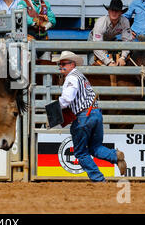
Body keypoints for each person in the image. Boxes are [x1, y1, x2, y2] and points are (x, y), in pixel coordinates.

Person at [54, 50, 127, 182]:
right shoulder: (81, 77)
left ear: (72, 64)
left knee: (81, 153)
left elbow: (66, 99)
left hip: (84, 116)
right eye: (60, 64)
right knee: (95, 147)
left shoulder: (71, 78)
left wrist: (53, 109)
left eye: (63, 63)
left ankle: (98, 178)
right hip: (95, 113)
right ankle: (115, 156)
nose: (61, 66)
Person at [88, 0, 133, 66]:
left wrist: (123, 57)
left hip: (110, 40)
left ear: (121, 13)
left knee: (117, 60)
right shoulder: (101, 22)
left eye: (117, 11)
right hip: (94, 40)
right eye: (112, 10)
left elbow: (127, 40)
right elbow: (96, 45)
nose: (114, 13)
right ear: (108, 11)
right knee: (93, 62)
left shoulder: (125, 21)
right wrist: (108, 62)